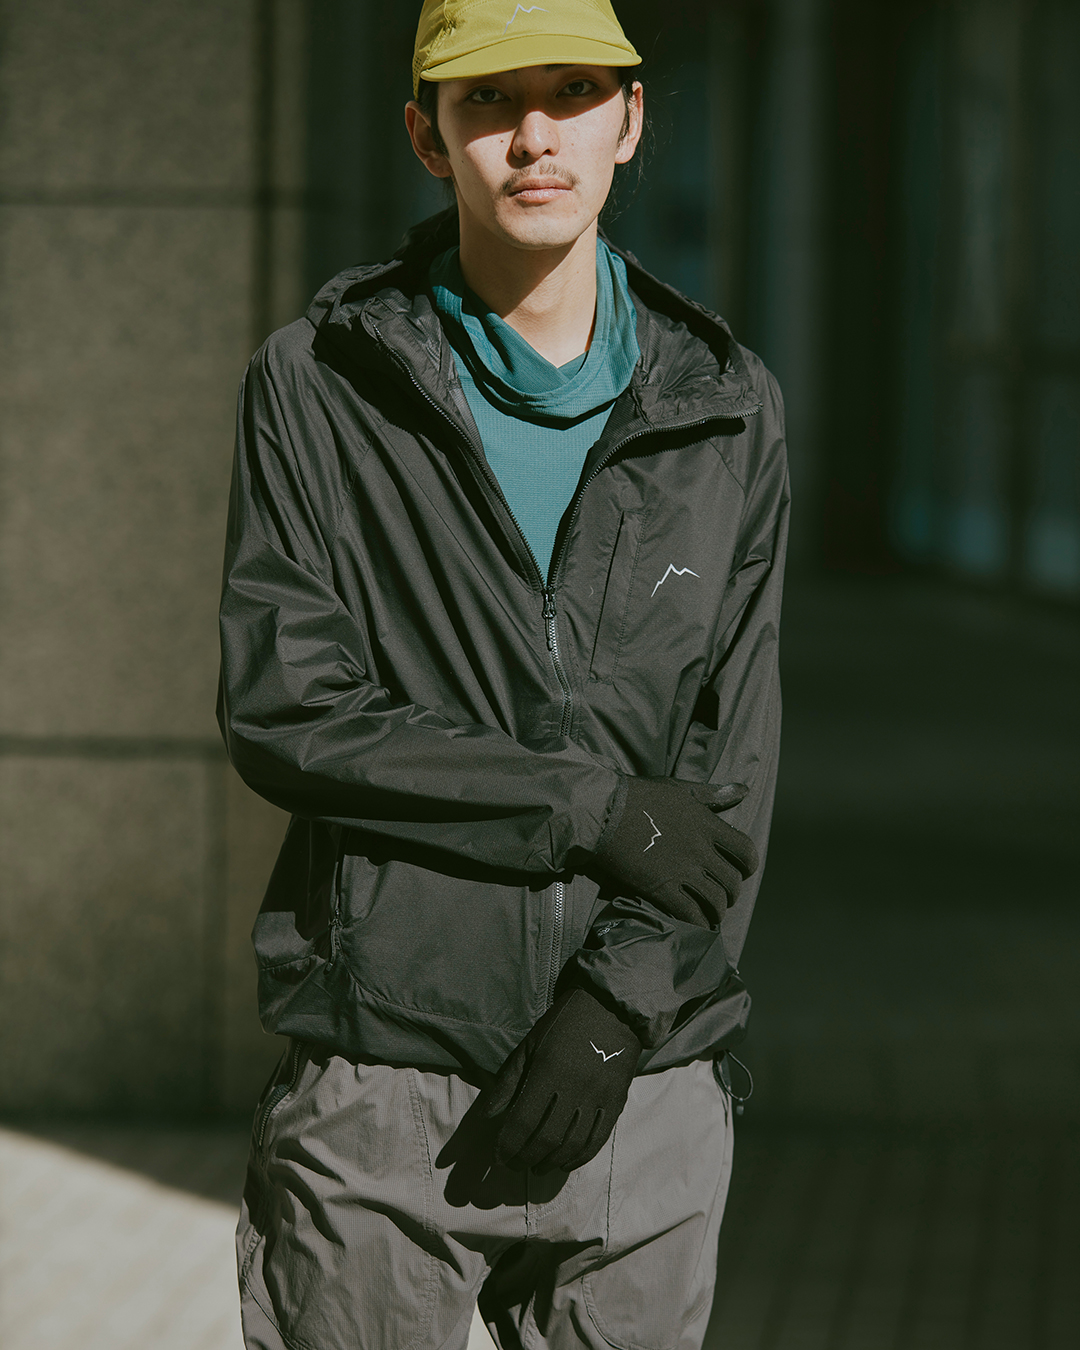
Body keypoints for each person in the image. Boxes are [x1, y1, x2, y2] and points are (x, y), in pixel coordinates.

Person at [218, 1, 789, 1346]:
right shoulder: (320, 383)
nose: (535, 134)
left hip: (639, 1086)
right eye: (487, 100)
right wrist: (591, 806)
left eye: (573, 90)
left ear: (630, 120)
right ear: (428, 136)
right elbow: (288, 707)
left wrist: (613, 1008)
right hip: (383, 1076)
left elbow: (732, 758)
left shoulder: (725, 404)